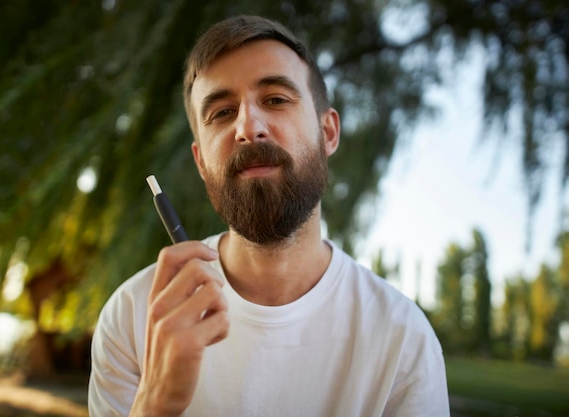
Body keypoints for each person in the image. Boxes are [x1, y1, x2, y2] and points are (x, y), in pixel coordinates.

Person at [88, 15, 450, 417]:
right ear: (201, 162)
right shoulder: (132, 317)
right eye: (222, 113)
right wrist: (154, 405)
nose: (248, 127)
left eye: (276, 99)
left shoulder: (402, 337)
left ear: (327, 132)